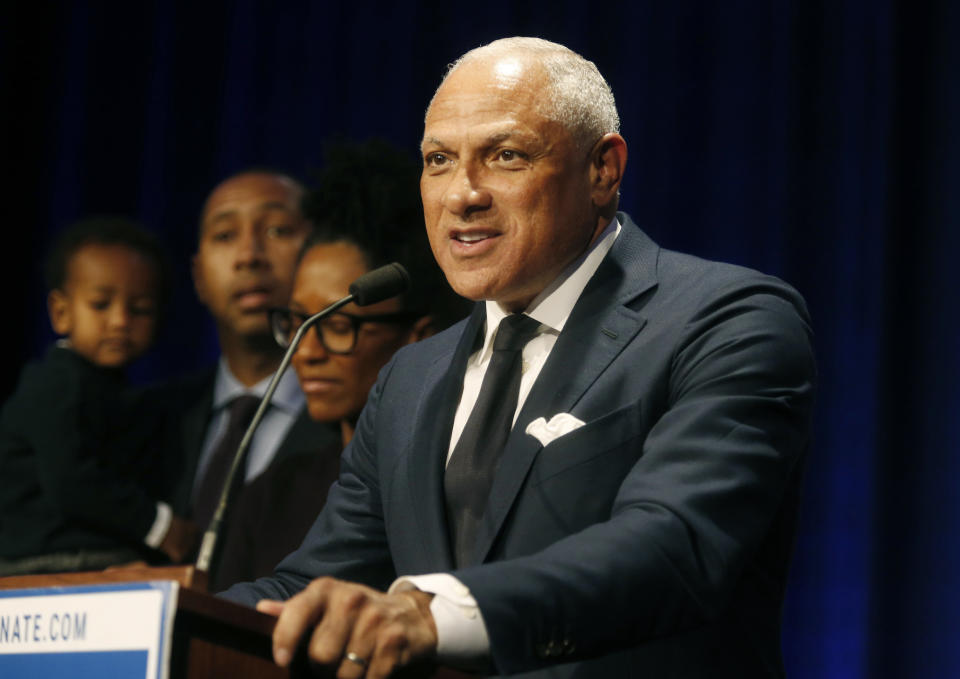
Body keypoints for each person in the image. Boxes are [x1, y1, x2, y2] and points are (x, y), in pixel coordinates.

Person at [224, 38, 816, 679]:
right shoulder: (409, 379)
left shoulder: (725, 320)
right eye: (439, 160)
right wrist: (147, 615)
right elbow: (313, 586)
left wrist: (434, 613)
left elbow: (673, 546)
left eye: (506, 156)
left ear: (603, 170)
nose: (461, 195)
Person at [213, 141, 468, 588]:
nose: (306, 352)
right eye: (296, 321)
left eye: (337, 324)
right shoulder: (274, 491)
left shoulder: (457, 485)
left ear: (420, 337)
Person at [156, 170, 340, 587]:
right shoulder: (152, 420)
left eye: (277, 229)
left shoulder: (359, 418)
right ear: (199, 276)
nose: (249, 256)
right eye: (224, 236)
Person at [0, 217, 197, 575]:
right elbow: (73, 482)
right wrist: (161, 526)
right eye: (101, 304)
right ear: (61, 313)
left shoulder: (114, 389)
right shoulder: (56, 383)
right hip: (40, 559)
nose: (121, 320)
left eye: (139, 309)